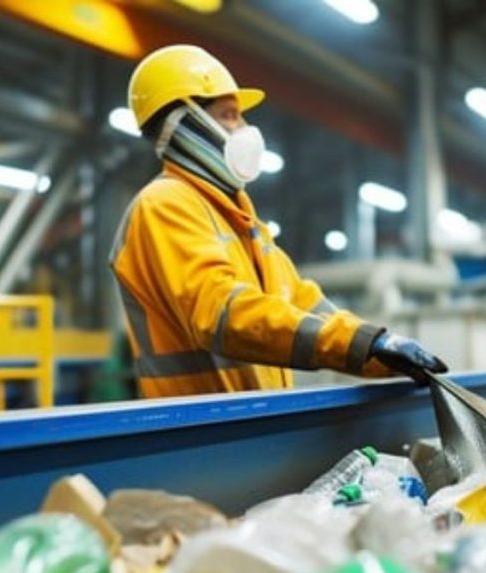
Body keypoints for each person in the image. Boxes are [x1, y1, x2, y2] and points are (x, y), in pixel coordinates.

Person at [109, 44, 447, 399]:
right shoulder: (164, 204)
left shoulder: (241, 219)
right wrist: (360, 344)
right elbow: (224, 313)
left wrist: (377, 349)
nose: (244, 129)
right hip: (197, 434)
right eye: (228, 115)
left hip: (248, 427)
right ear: (184, 124)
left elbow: (304, 303)